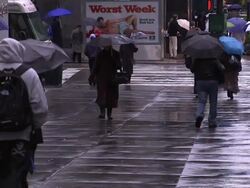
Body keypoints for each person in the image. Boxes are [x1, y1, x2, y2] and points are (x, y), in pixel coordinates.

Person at [0, 38, 48, 188]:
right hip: (21, 135)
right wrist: (33, 126)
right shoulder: (29, 73)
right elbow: (40, 107)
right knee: (17, 175)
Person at [89, 39, 121, 120]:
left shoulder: (115, 54)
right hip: (102, 79)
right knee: (101, 96)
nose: (106, 47)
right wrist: (92, 77)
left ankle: (109, 114)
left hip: (112, 79)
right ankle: (102, 113)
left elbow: (119, 66)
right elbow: (96, 66)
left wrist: (114, 59)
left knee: (111, 97)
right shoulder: (100, 54)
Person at [191, 58, 224, 128]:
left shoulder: (197, 58)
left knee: (201, 101)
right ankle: (212, 121)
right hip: (213, 81)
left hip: (200, 81)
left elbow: (192, 69)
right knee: (213, 102)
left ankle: (199, 115)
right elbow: (221, 69)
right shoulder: (215, 59)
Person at [87, 16, 155, 38]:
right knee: (136, 31)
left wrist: (126, 19)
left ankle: (135, 29)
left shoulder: (108, 21)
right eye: (100, 23)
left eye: (102, 22)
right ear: (98, 23)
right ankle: (144, 32)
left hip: (122, 24)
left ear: (103, 21)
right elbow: (94, 33)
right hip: (122, 30)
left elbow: (119, 20)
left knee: (133, 16)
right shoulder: (99, 29)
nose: (102, 23)